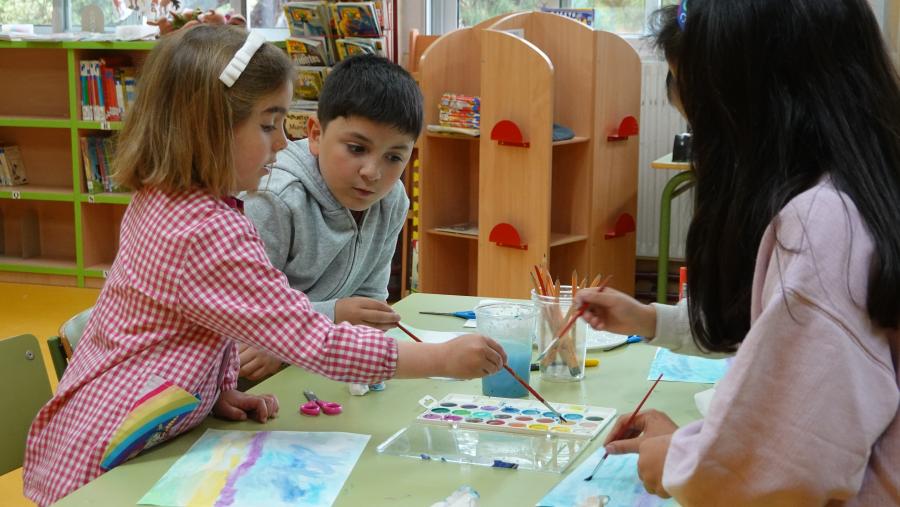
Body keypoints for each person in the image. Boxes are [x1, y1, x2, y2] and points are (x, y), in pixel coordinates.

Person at [22, 26, 506, 506]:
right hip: (103, 464)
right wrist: (441, 361)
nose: (280, 143)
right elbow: (312, 340)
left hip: (128, 426)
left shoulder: (164, 200)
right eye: (268, 124)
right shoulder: (206, 230)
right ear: (208, 125)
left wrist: (206, 391)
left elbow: (173, 328)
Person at [576, 0, 900, 503]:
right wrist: (690, 443)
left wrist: (676, 461)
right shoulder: (863, 193)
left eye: (703, 126)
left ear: (761, 110)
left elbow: (777, 470)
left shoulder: (823, 225)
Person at [238, 55, 417, 383]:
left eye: (394, 157)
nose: (372, 173)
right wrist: (333, 314)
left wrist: (352, 320)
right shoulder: (273, 198)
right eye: (356, 148)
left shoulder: (392, 201)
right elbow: (242, 315)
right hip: (247, 380)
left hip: (315, 367)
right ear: (316, 135)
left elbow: (368, 302)